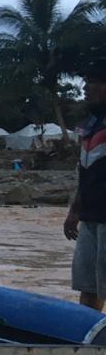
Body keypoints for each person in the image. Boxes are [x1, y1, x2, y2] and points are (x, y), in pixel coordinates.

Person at [65, 57, 106, 311]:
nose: (86, 88)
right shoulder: (89, 126)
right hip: (90, 217)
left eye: (94, 82)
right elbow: (84, 172)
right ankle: (89, 345)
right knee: (87, 286)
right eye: (86, 82)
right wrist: (74, 211)